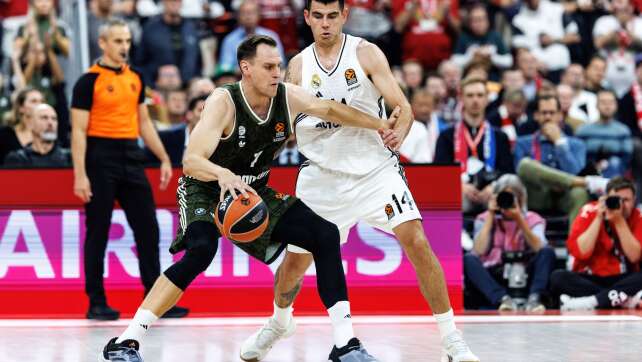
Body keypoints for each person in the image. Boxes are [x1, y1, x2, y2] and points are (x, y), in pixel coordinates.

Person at [102, 34, 405, 362]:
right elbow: (191, 161)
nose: (278, 73)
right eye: (269, 67)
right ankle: (126, 341)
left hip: (253, 192)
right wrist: (222, 174)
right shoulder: (224, 101)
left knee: (325, 234)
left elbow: (329, 108)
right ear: (246, 69)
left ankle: (345, 344)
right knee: (201, 250)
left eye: (279, 66)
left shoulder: (287, 96)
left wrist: (378, 124)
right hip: (206, 187)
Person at [239, 2, 479, 362]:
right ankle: (278, 321)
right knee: (293, 266)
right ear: (306, 18)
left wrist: (400, 130)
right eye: (317, 16)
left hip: (374, 172)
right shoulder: (299, 66)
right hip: (322, 177)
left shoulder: (365, 53)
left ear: (344, 16)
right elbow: (282, 126)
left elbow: (404, 108)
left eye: (332, 16)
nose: (324, 24)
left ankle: (451, 338)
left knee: (415, 239)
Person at [70, 19, 186, 321]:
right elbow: (78, 131)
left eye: (126, 41)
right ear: (103, 43)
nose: (124, 47)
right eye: (118, 41)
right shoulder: (87, 81)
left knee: (148, 228)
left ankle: (155, 300)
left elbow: (144, 122)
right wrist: (80, 174)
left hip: (130, 156)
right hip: (100, 157)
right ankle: (96, 301)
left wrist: (162, 157)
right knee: (98, 231)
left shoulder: (136, 77)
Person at [464, 174, 555, 311]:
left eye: (512, 197)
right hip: (496, 272)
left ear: (521, 199)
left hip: (526, 270)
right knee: (469, 259)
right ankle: (502, 299)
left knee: (548, 252)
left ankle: (534, 299)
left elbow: (539, 247)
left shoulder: (532, 218)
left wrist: (519, 219)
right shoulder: (483, 218)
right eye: (503, 197)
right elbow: (478, 250)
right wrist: (490, 215)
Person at [550, 177, 642, 310]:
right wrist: (598, 217)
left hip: (622, 278)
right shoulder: (590, 210)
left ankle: (593, 301)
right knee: (558, 277)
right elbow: (582, 252)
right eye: (616, 199)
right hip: (591, 278)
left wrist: (619, 221)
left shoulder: (638, 217)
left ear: (634, 201)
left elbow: (634, 256)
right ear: (605, 199)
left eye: (626, 200)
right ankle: (620, 299)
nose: (621, 205)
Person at [434, 77, 514, 214]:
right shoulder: (446, 136)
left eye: (480, 95)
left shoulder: (500, 136)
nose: (475, 100)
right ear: (462, 99)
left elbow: (508, 172)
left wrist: (493, 187)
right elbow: (440, 172)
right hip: (459, 196)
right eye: (470, 95)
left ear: (487, 99)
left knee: (512, 184)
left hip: (492, 195)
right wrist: (460, 186)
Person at [576, 89, 633, 178]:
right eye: (603, 102)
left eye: (610, 102)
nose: (607, 106)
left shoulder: (623, 131)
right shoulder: (583, 130)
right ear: (596, 105)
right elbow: (578, 155)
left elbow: (627, 158)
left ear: (616, 105)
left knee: (615, 162)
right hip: (588, 173)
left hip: (615, 174)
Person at [218, 0, 286, 72]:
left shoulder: (271, 36)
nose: (248, 16)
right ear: (238, 16)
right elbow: (225, 67)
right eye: (244, 13)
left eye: (252, 13)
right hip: (240, 78)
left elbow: (281, 63)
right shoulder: (230, 40)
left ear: (259, 15)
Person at [4, 103, 69, 167]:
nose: (50, 123)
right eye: (44, 118)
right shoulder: (17, 159)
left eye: (54, 119)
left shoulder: (69, 158)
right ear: (30, 124)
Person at [0, 87, 44, 165]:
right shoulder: (5, 134)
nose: (40, 105)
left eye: (42, 101)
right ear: (21, 108)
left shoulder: (47, 134)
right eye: (34, 101)